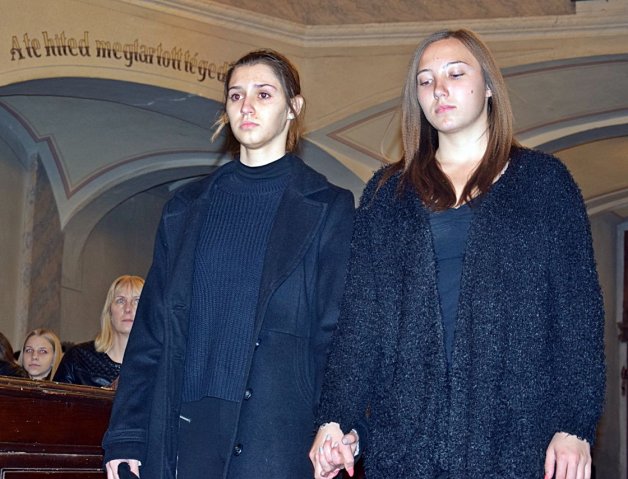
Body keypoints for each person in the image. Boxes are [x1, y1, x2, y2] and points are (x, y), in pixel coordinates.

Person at [310, 29, 605, 479]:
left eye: (455, 73)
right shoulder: (387, 193)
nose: (439, 89)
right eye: (425, 80)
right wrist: (337, 417)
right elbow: (361, 319)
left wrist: (574, 424)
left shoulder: (544, 183)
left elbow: (578, 311)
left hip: (518, 438)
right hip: (408, 443)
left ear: (488, 87)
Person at [102, 49, 355, 479]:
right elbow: (152, 329)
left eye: (263, 94)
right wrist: (127, 433)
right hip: (185, 428)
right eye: (236, 96)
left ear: (293, 107)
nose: (247, 106)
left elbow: (336, 331)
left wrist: (336, 419)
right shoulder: (186, 207)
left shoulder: (328, 206)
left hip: (276, 432)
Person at [54, 275, 144, 388]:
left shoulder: (159, 363)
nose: (128, 309)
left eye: (137, 301)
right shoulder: (78, 358)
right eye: (120, 301)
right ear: (109, 312)